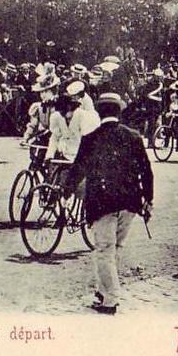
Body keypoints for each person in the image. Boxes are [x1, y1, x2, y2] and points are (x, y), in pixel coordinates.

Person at [61, 93, 154, 315]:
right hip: (131, 204)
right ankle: (103, 292)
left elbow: (77, 170)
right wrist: (149, 200)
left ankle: (110, 299)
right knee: (114, 249)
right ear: (119, 113)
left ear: (99, 114)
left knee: (103, 250)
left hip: (103, 204)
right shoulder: (133, 137)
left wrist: (65, 193)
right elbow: (146, 171)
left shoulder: (91, 138)